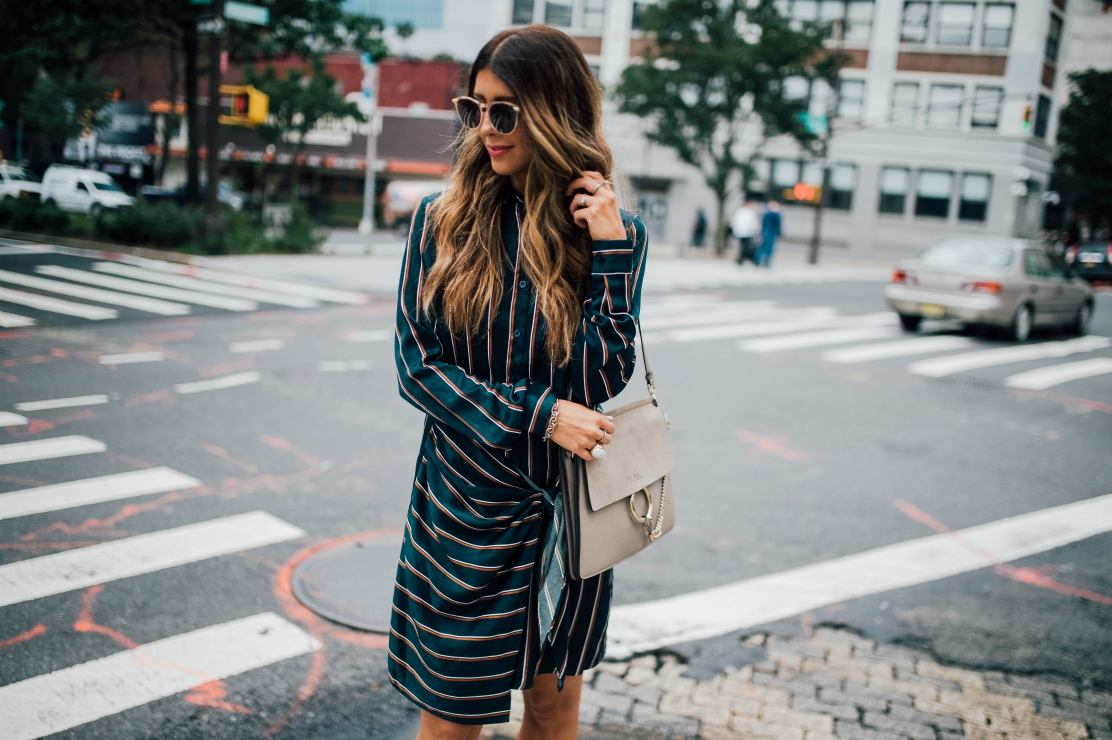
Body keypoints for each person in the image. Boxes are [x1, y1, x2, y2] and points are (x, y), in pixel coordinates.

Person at [391, 25, 648, 740]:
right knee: (452, 719)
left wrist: (610, 252)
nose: (485, 129)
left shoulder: (610, 231)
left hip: (568, 520)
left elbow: (603, 373)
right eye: (474, 109)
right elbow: (417, 367)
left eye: (504, 112)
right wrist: (539, 414)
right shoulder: (442, 221)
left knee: (554, 707)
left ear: (553, 110)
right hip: (465, 515)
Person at [759, 201, 782, 268]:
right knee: (769, 247)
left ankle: (760, 260)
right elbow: (778, 225)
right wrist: (779, 233)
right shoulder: (776, 214)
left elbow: (763, 224)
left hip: (765, 232)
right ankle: (767, 261)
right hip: (772, 232)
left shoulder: (766, 213)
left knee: (763, 246)